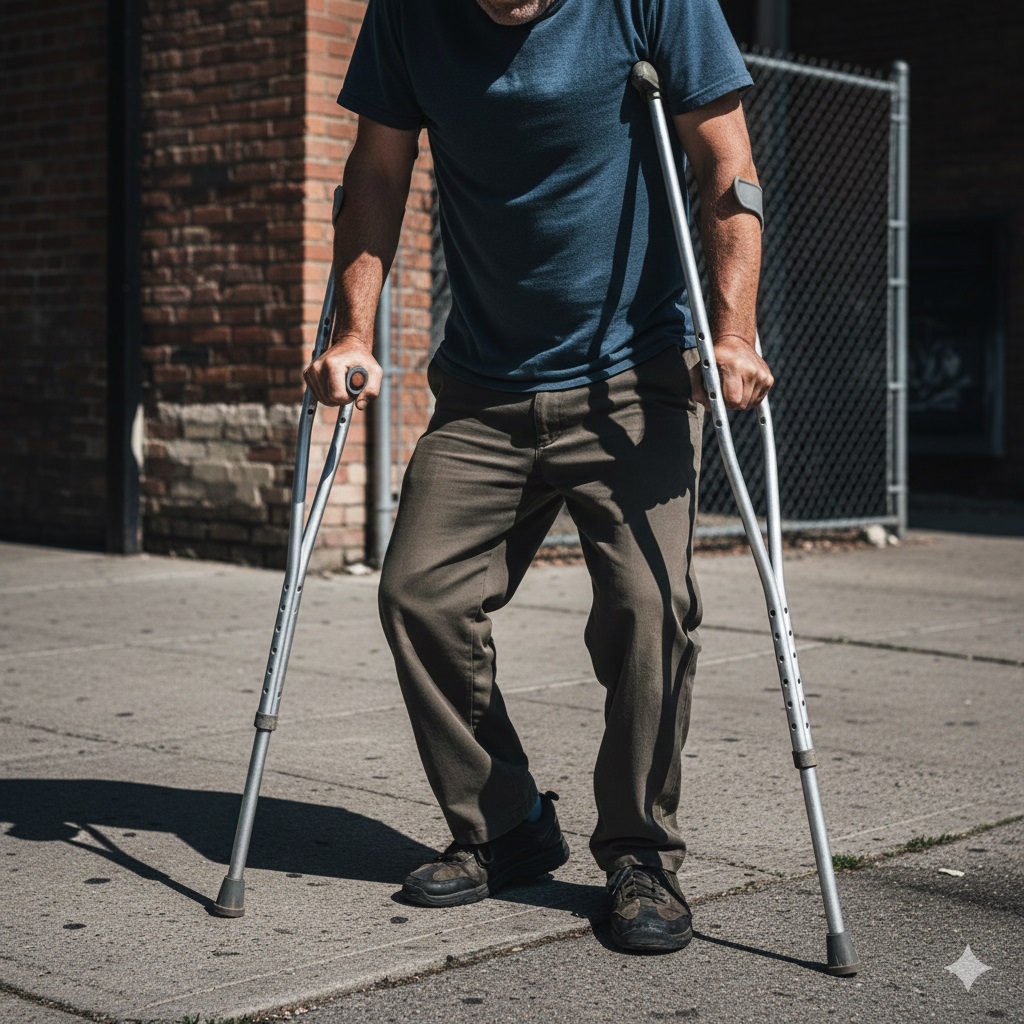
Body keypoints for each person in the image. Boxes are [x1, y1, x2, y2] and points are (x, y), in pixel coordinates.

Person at [302, 0, 772, 953]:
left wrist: (732, 332)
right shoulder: (408, 17)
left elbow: (726, 165)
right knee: (420, 594)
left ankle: (641, 853)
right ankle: (507, 824)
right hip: (485, 383)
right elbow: (377, 171)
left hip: (633, 375)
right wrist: (352, 331)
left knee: (648, 607)